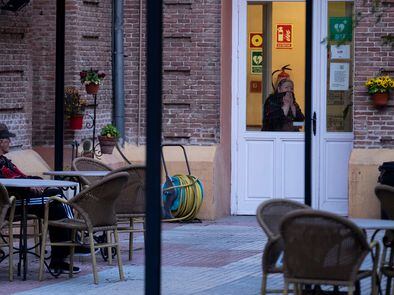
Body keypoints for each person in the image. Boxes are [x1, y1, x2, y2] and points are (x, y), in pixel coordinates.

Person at [0, 123, 89, 274]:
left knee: (54, 208)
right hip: (12, 203)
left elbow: (21, 176)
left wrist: (35, 181)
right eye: (8, 139)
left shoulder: (4, 160)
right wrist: (29, 185)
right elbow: (10, 182)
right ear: (0, 141)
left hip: (21, 199)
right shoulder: (1, 163)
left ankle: (59, 259)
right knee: (55, 195)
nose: (10, 142)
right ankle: (73, 240)